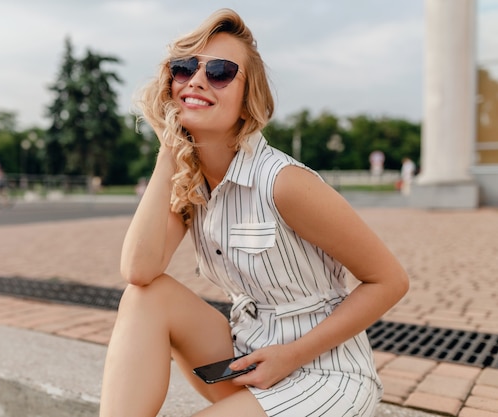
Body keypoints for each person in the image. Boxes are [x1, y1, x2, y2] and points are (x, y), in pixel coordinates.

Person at [100, 9, 409, 417]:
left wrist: (293, 355)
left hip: (324, 373)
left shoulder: (283, 182)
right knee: (145, 297)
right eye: (184, 68)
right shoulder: (190, 183)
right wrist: (168, 153)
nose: (196, 80)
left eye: (221, 72)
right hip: (247, 358)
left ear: (248, 101)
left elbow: (389, 281)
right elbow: (138, 271)